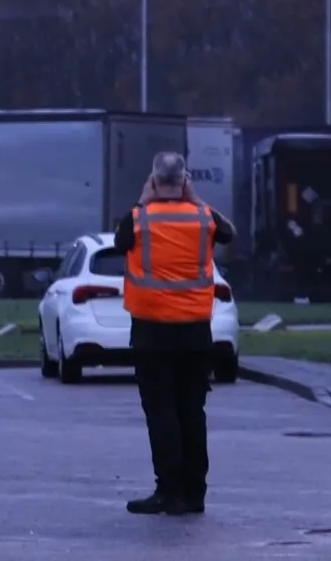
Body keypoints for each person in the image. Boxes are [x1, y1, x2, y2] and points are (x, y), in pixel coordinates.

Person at [115, 151, 235, 517]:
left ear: (153, 181)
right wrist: (196, 199)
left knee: (161, 411)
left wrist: (142, 200)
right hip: (195, 333)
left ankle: (168, 491)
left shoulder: (138, 218)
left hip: (152, 332)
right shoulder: (203, 217)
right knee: (192, 410)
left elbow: (120, 242)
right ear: (185, 181)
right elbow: (229, 233)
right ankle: (194, 493)